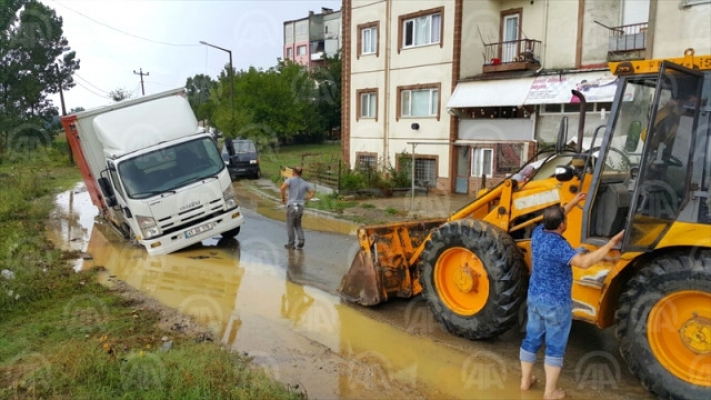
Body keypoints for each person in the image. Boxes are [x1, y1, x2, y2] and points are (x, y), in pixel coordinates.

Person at [520, 192, 624, 400]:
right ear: (562, 226)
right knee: (555, 346)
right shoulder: (560, 246)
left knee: (531, 339)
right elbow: (584, 263)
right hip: (556, 304)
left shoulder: (539, 233)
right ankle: (550, 392)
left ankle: (525, 382)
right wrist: (609, 244)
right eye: (565, 219)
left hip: (535, 299)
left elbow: (555, 218)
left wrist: (573, 202)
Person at [280, 166, 315, 249]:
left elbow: (282, 188)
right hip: (300, 207)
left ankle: (291, 244)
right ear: (301, 173)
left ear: (293, 172)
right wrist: (306, 198)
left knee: (290, 225)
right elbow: (312, 193)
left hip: (292, 206)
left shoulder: (290, 180)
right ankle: (301, 240)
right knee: (298, 224)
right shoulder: (304, 183)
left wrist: (283, 198)